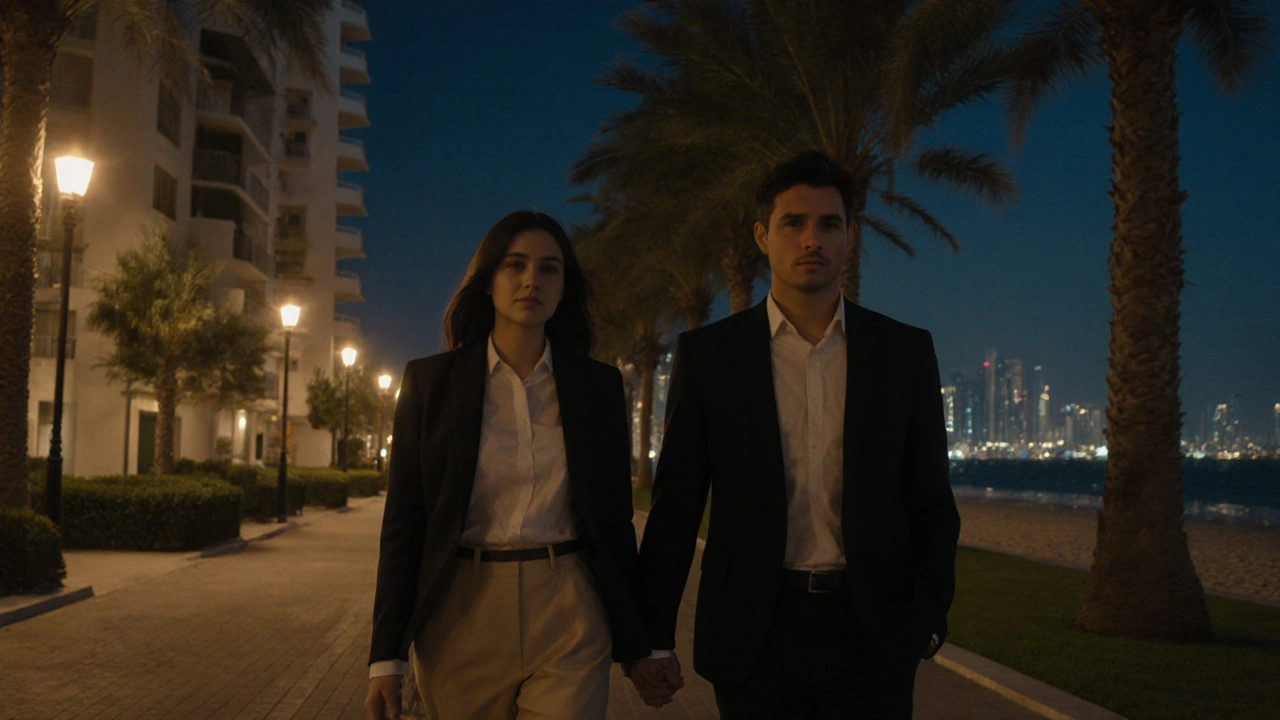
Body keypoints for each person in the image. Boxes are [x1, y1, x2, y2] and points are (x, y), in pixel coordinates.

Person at [629, 151, 961, 718]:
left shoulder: (902, 353)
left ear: (850, 237)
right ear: (763, 236)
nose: (813, 239)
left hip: (871, 633)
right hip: (755, 633)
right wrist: (653, 640)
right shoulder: (710, 357)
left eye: (829, 224)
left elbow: (930, 497)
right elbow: (677, 507)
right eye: (794, 223)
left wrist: (928, 615)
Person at [365, 211, 650, 720]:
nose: (530, 281)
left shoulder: (597, 387)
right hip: (460, 609)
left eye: (549, 269)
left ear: (564, 288)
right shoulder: (432, 383)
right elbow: (405, 523)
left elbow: (613, 520)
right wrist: (385, 656)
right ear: (488, 280)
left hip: (568, 603)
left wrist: (639, 643)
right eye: (515, 265)